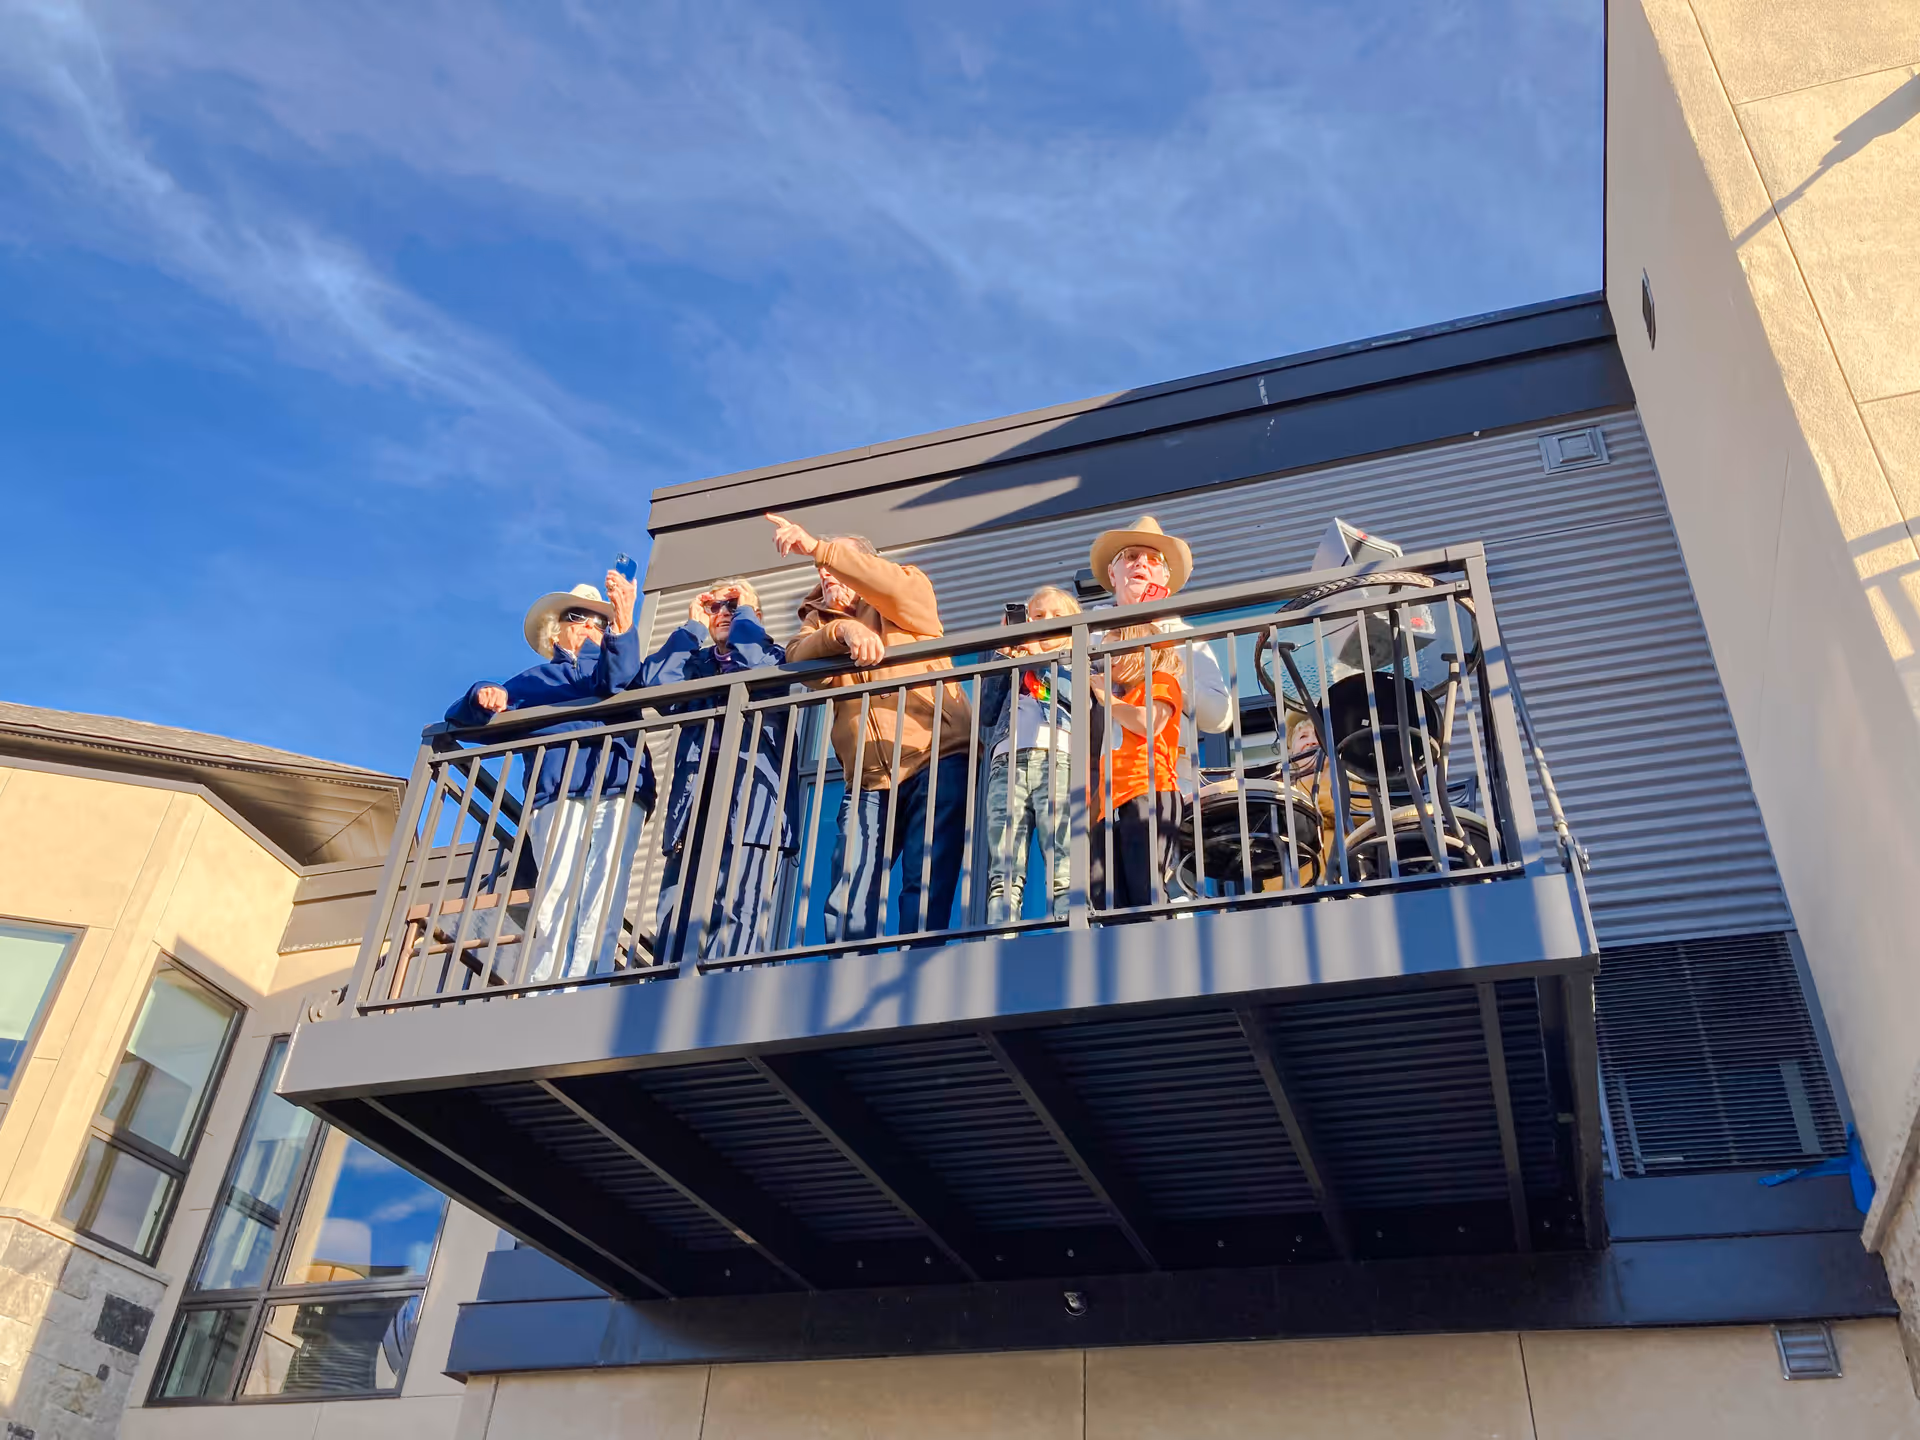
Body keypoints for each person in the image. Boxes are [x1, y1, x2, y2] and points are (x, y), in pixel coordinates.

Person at [768, 513, 972, 942]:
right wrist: (841, 630)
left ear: (863, 566)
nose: (825, 574)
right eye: (821, 572)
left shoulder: (906, 593)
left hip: (936, 757)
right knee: (848, 895)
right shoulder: (820, 625)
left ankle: (917, 973)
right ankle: (847, 980)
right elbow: (799, 663)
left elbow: (892, 585)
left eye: (836, 566)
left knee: (925, 882)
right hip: (868, 779)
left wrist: (819, 547)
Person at [444, 571, 653, 983]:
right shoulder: (534, 681)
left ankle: (587, 982)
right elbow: (462, 719)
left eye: (601, 621)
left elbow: (617, 678)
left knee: (604, 892)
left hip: (618, 788)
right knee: (557, 892)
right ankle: (548, 984)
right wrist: (483, 693)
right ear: (556, 630)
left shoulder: (621, 666)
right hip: (557, 793)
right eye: (580, 617)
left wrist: (623, 626)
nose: (592, 627)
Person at [634, 578, 797, 962]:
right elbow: (656, 683)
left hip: (753, 798)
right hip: (696, 795)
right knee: (677, 901)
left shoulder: (776, 656)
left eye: (733, 605)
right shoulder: (696, 665)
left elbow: (753, 666)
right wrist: (690, 627)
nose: (723, 613)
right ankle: (665, 983)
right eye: (715, 608)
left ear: (751, 613)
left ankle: (729, 984)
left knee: (740, 899)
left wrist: (747, 614)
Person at [1085, 516, 1197, 910]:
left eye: (1116, 647)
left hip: (1150, 791)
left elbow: (1151, 724)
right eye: (1130, 556)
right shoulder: (1092, 635)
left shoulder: (1163, 677)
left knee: (1147, 889)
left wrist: (1107, 700)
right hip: (1109, 799)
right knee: (1109, 896)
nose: (1106, 655)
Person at [976, 585, 1081, 923]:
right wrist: (1006, 657)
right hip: (1006, 763)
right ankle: (1000, 932)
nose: (1045, 622)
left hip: (1058, 758)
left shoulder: (1078, 659)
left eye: (1055, 616)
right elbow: (986, 712)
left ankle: (1071, 926)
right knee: (1004, 864)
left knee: (1063, 852)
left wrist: (1039, 659)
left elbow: (1072, 700)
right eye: (1037, 617)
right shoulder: (1007, 660)